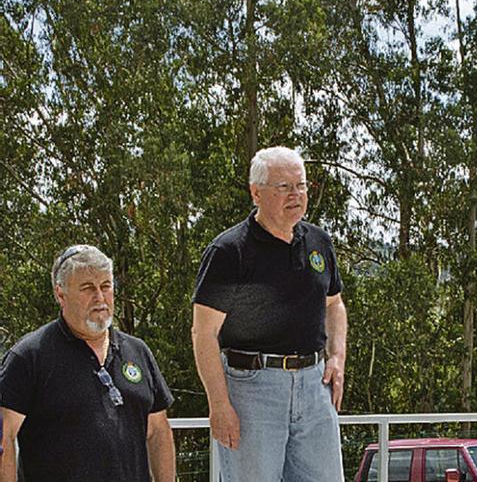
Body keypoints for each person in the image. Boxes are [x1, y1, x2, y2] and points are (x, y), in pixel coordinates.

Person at [191, 146, 347, 481]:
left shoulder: (319, 242)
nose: (296, 195)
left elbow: (334, 305)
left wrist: (337, 357)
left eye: (301, 186)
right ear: (256, 192)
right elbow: (203, 333)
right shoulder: (229, 251)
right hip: (252, 390)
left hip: (314, 386)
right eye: (284, 187)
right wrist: (219, 405)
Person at [0, 244, 175, 482]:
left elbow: (157, 431)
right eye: (87, 288)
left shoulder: (138, 351)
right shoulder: (29, 356)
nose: (100, 298)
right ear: (60, 294)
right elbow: (4, 435)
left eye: (106, 286)